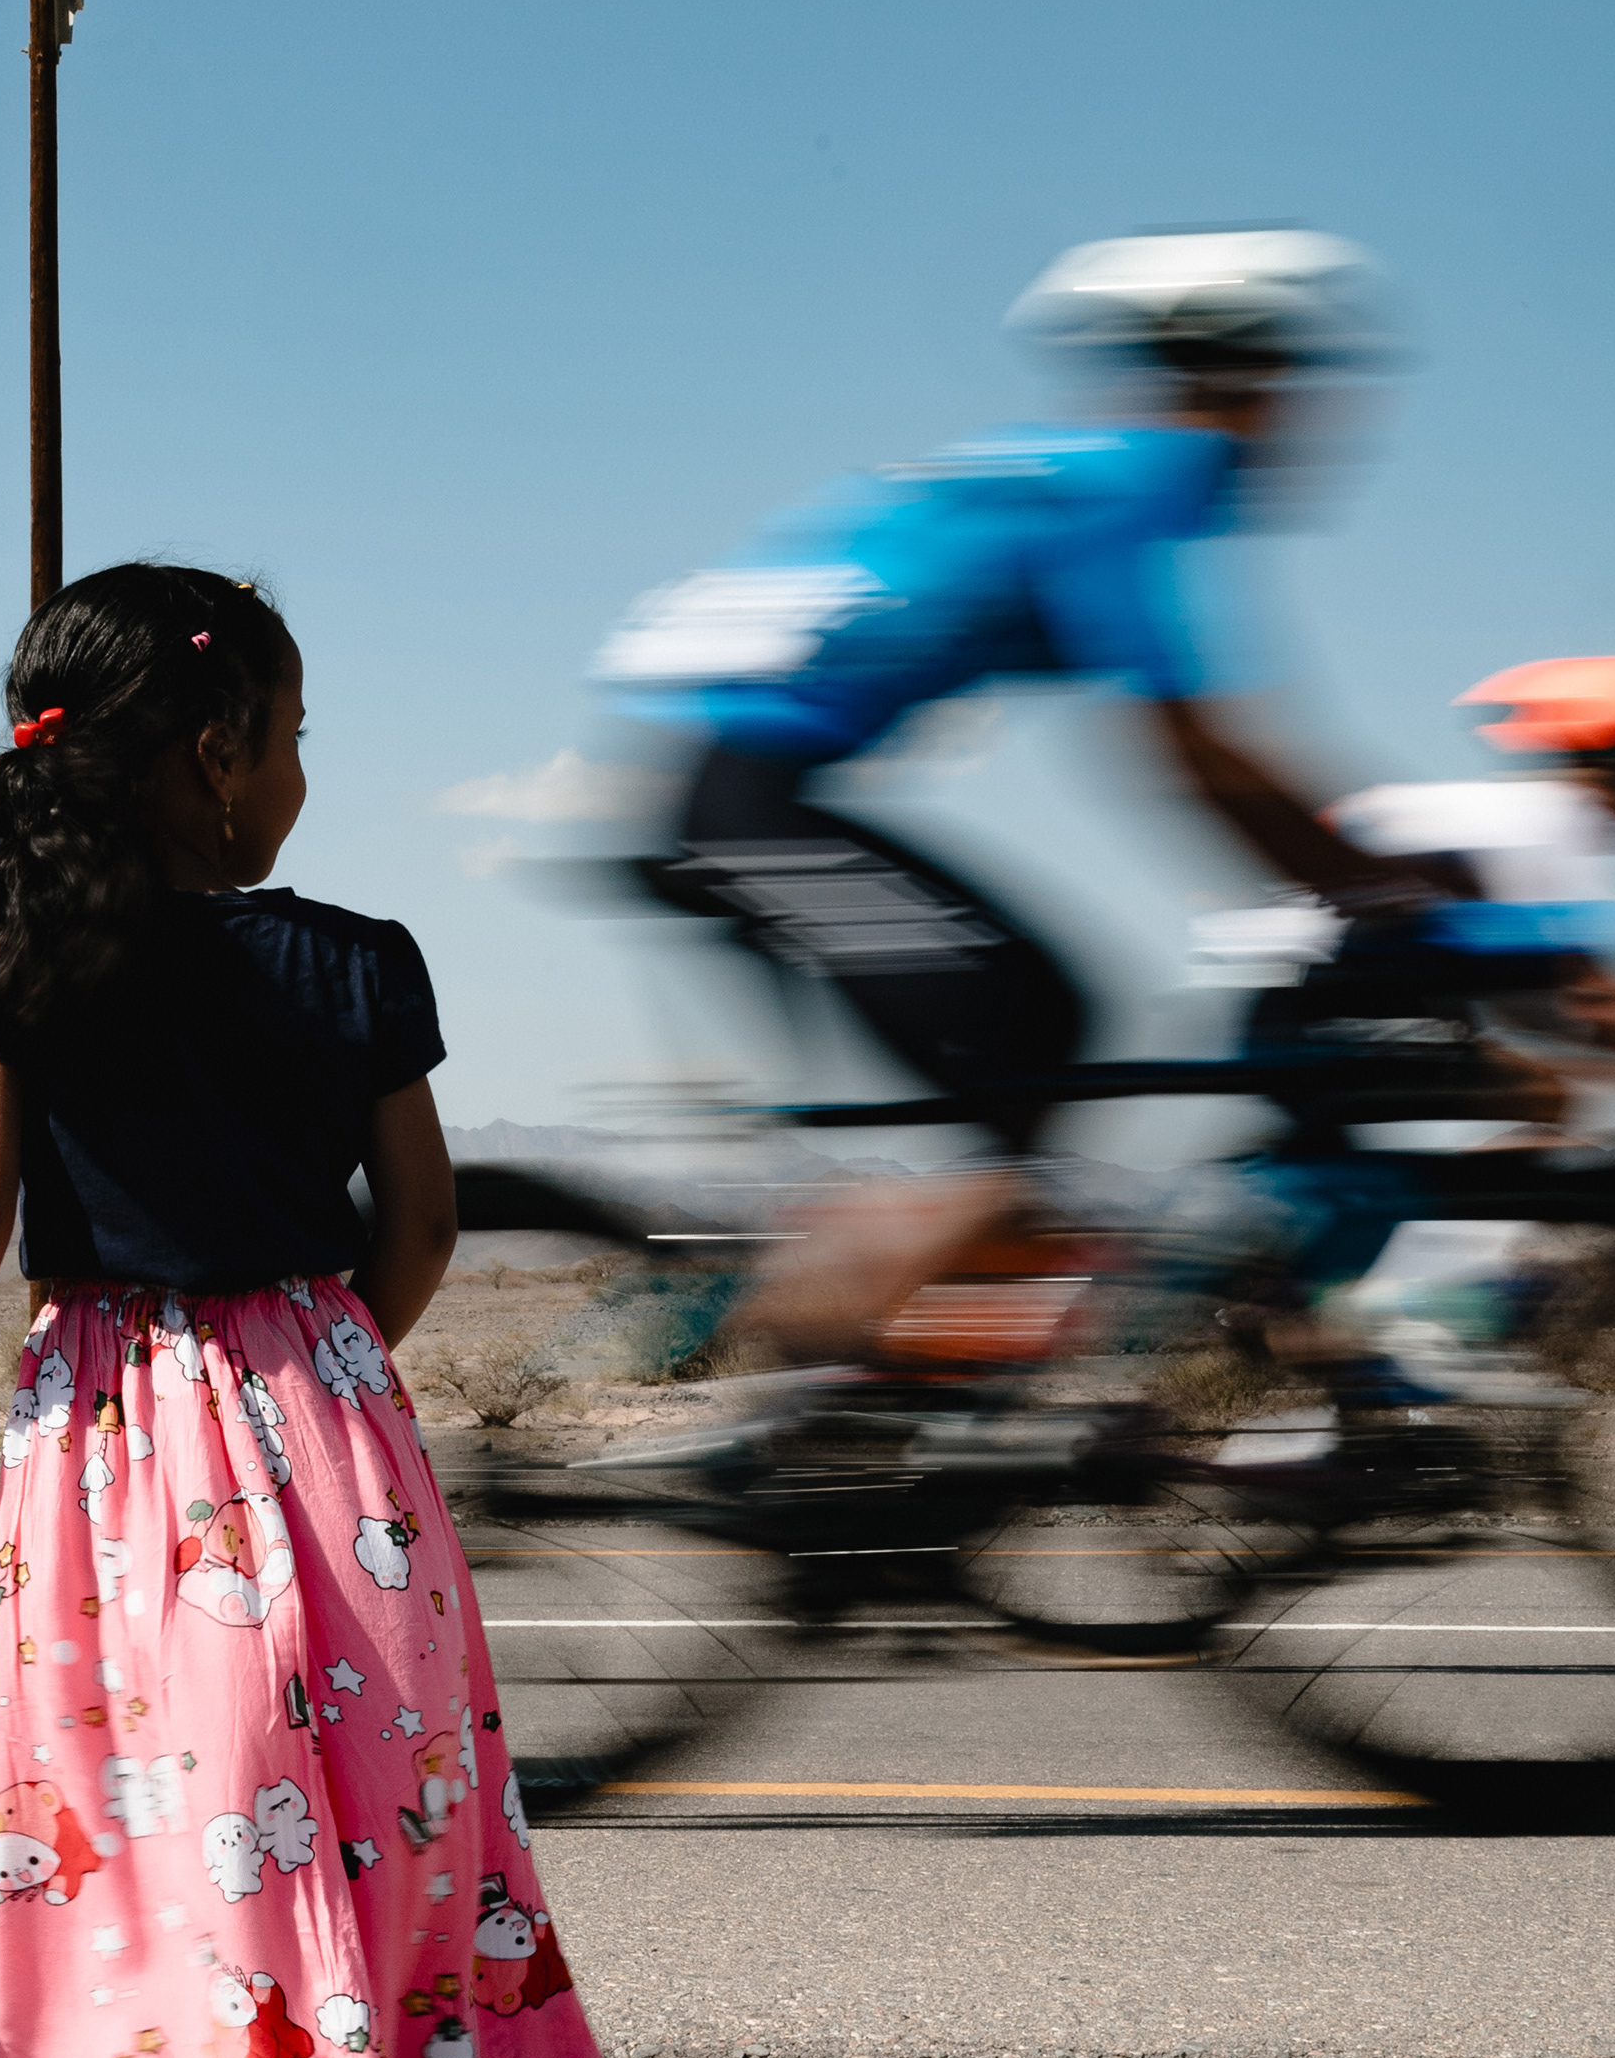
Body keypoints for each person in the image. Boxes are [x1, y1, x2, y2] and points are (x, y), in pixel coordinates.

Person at [0, 564, 626, 2058]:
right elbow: (421, 1224)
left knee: (158, 1836)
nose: (302, 771)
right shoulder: (358, 958)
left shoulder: (4, 957)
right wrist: (318, 1367)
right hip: (335, 1419)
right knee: (408, 1817)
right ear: (218, 752)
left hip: (118, 1446)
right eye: (296, 735)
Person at [590, 226, 1410, 1378]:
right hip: (735, 804)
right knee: (1036, 1044)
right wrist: (1376, 889)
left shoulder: (1093, 473)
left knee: (1047, 1038)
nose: (1318, 416)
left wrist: (1343, 872)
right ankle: (816, 1372)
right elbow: (1197, 750)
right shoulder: (1144, 478)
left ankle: (910, 1378)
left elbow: (1204, 748)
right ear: (1249, 374)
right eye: (1299, 379)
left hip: (745, 792)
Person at [1213, 654, 1615, 1370]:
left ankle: (1332, 1317)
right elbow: (1602, 1000)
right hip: (1338, 1015)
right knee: (1553, 1096)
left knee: (1541, 1098)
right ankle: (1392, 1322)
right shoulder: (1555, 818)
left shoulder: (1491, 812)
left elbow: (1543, 998)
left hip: (1287, 1010)